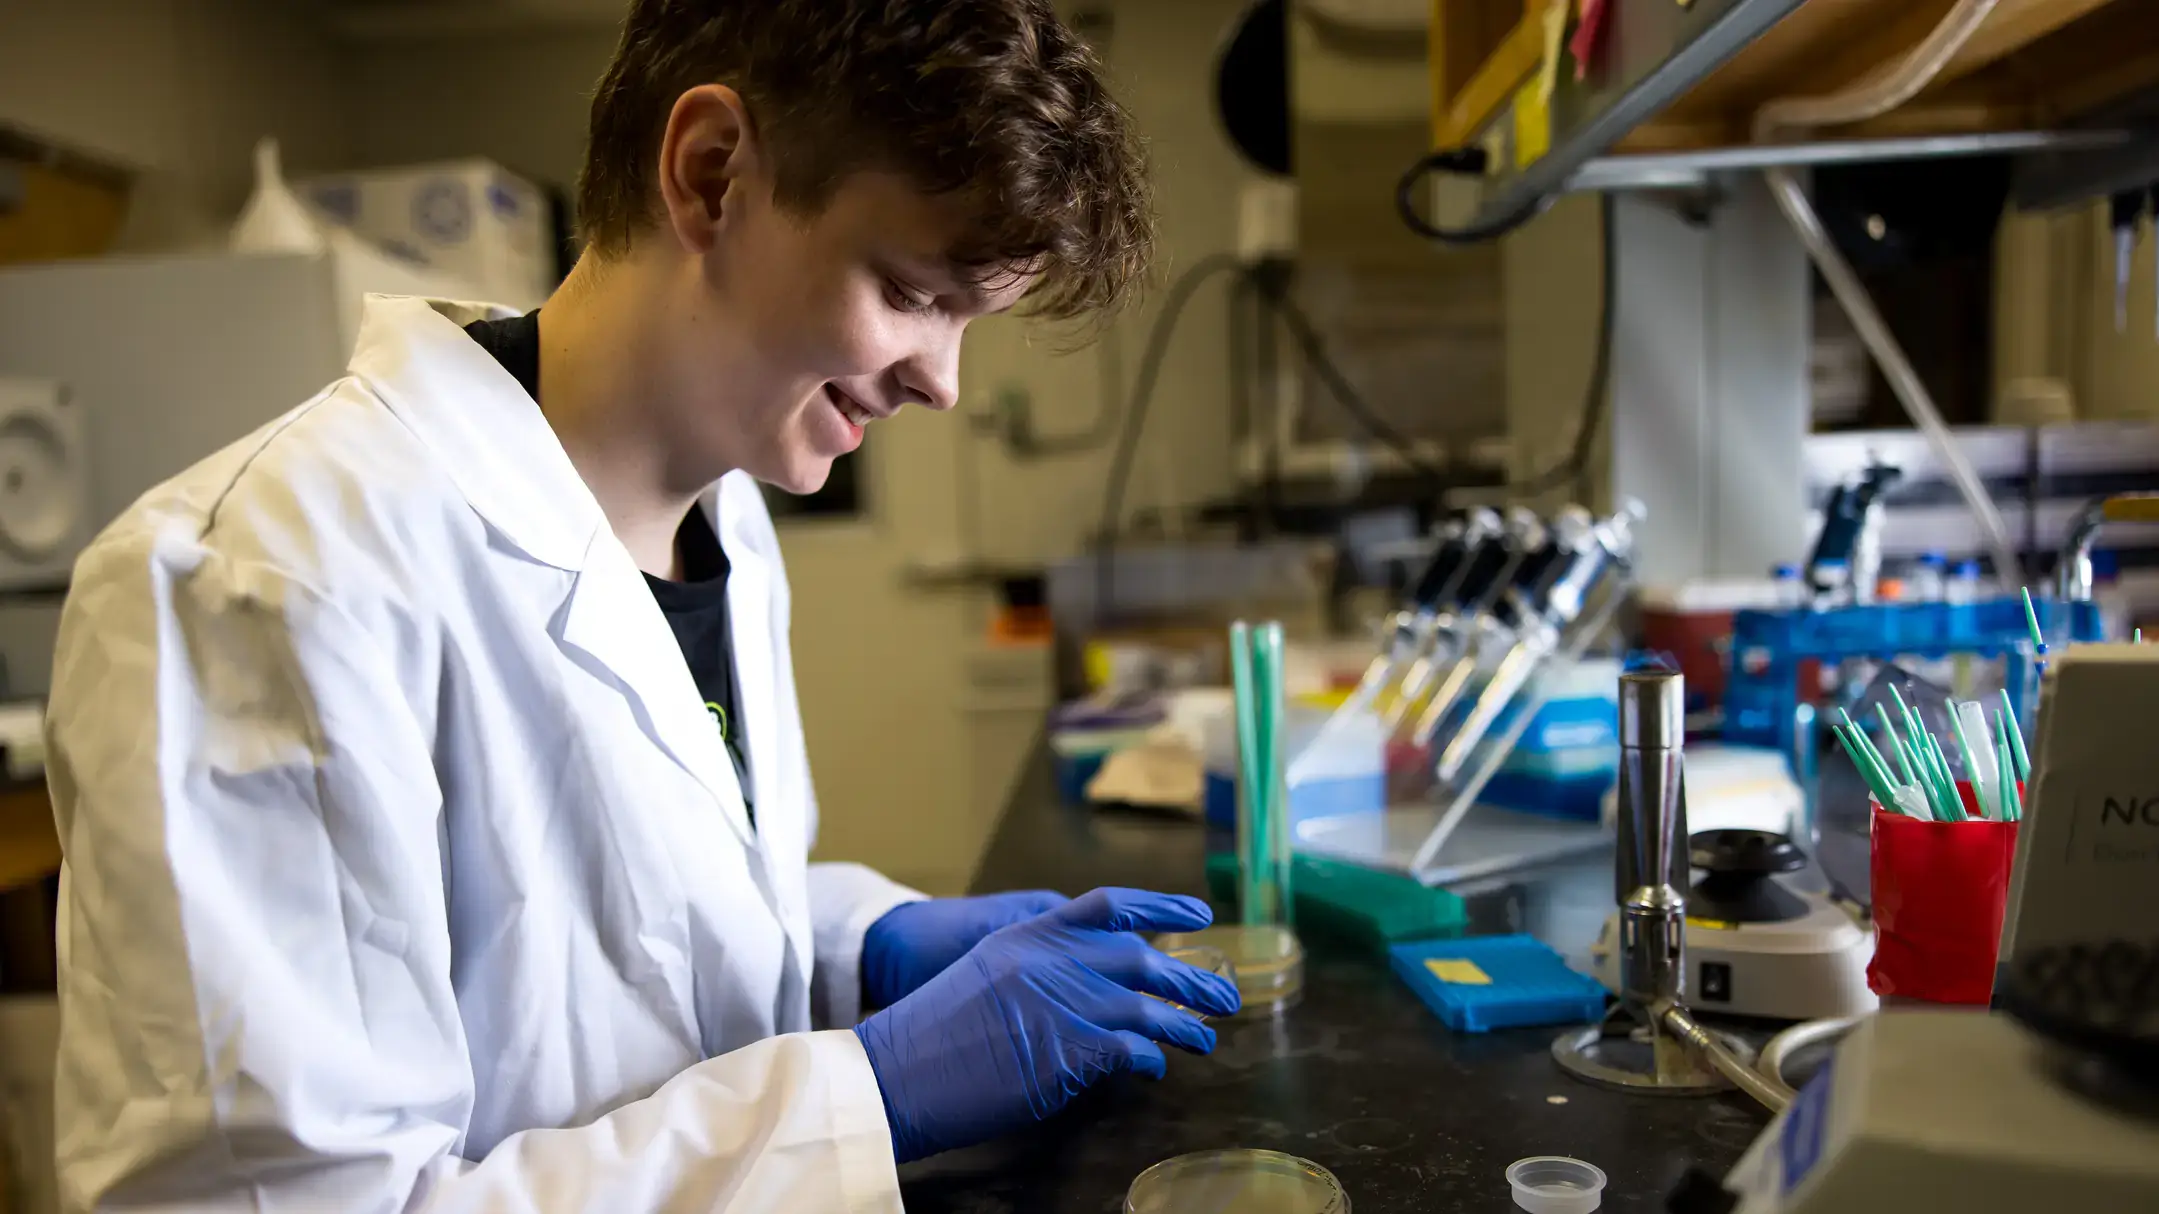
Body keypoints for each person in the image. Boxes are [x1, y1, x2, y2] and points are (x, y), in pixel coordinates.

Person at [41, 2, 1238, 1210]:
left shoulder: (726, 518)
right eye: (908, 289)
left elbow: (625, 938)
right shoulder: (264, 577)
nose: (943, 378)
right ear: (711, 174)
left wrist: (853, 947)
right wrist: (869, 1094)